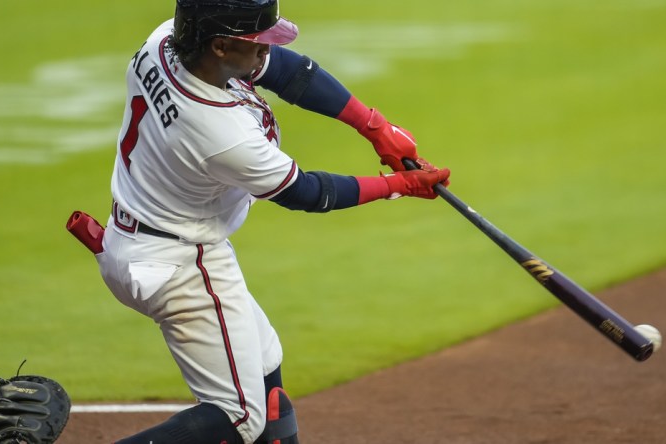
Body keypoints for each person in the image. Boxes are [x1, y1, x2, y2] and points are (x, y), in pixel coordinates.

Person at [96, 0, 450, 443]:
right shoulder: (221, 135)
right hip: (178, 263)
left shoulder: (168, 41)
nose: (265, 52)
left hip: (142, 235)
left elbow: (285, 70)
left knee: (265, 370)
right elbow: (307, 192)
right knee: (240, 417)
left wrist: (374, 126)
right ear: (222, 45)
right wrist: (400, 185)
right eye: (256, 44)